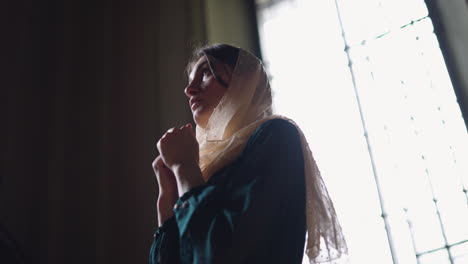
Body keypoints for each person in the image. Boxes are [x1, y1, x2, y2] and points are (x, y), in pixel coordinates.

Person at [150, 44, 347, 264]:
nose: (189, 89)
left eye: (206, 72)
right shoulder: (201, 166)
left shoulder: (277, 135)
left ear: (244, 80)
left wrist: (185, 168)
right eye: (189, 81)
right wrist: (166, 202)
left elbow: (222, 254)